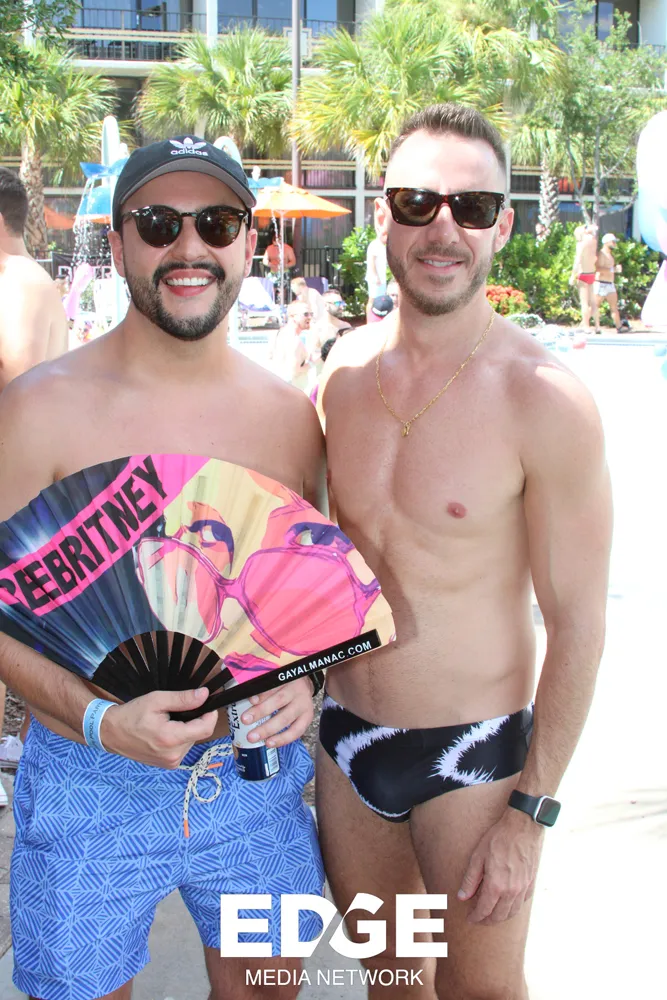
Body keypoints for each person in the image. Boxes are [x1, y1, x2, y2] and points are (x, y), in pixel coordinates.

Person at [0, 136, 326, 1000]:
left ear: (247, 244)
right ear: (117, 246)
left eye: (215, 224)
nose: (189, 247)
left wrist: (307, 681)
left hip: (253, 781)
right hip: (88, 782)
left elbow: (305, 596)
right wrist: (102, 720)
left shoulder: (290, 419)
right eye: (157, 224)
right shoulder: (37, 411)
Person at [316, 104, 612, 1000]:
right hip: (344, 743)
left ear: (502, 227)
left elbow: (578, 623)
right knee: (391, 983)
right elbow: (301, 563)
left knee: (480, 991)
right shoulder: (338, 374)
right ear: (383, 215)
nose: (442, 229)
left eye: (471, 208)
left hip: (473, 757)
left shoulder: (543, 399)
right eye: (417, 203)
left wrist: (530, 811)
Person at [0, 167, 69, 797]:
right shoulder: (33, 279)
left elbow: (16, 378)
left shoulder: (16, 282)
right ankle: (17, 747)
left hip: (20, 479)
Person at [268, 298, 312, 390]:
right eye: (305, 314)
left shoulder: (279, 334)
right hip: (291, 390)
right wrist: (312, 363)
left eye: (311, 314)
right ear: (292, 317)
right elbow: (294, 371)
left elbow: (271, 358)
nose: (309, 317)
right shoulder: (294, 340)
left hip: (277, 387)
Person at [570, 222, 601, 334]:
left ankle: (586, 326)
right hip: (591, 272)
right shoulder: (593, 242)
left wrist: (572, 275)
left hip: (583, 273)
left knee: (584, 302)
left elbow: (577, 260)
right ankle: (597, 326)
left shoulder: (581, 244)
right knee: (593, 302)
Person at [595, 233, 628, 332]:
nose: (614, 244)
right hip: (601, 283)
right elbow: (598, 269)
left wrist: (614, 270)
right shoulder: (601, 254)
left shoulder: (610, 255)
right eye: (613, 242)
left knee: (614, 307)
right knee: (595, 306)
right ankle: (594, 327)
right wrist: (613, 269)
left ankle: (619, 327)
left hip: (610, 284)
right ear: (606, 242)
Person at [365, 231, 388, 320]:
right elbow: (371, 261)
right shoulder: (375, 245)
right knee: (372, 300)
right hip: (375, 279)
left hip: (381, 278)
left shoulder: (382, 246)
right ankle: (369, 320)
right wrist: (375, 276)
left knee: (379, 300)